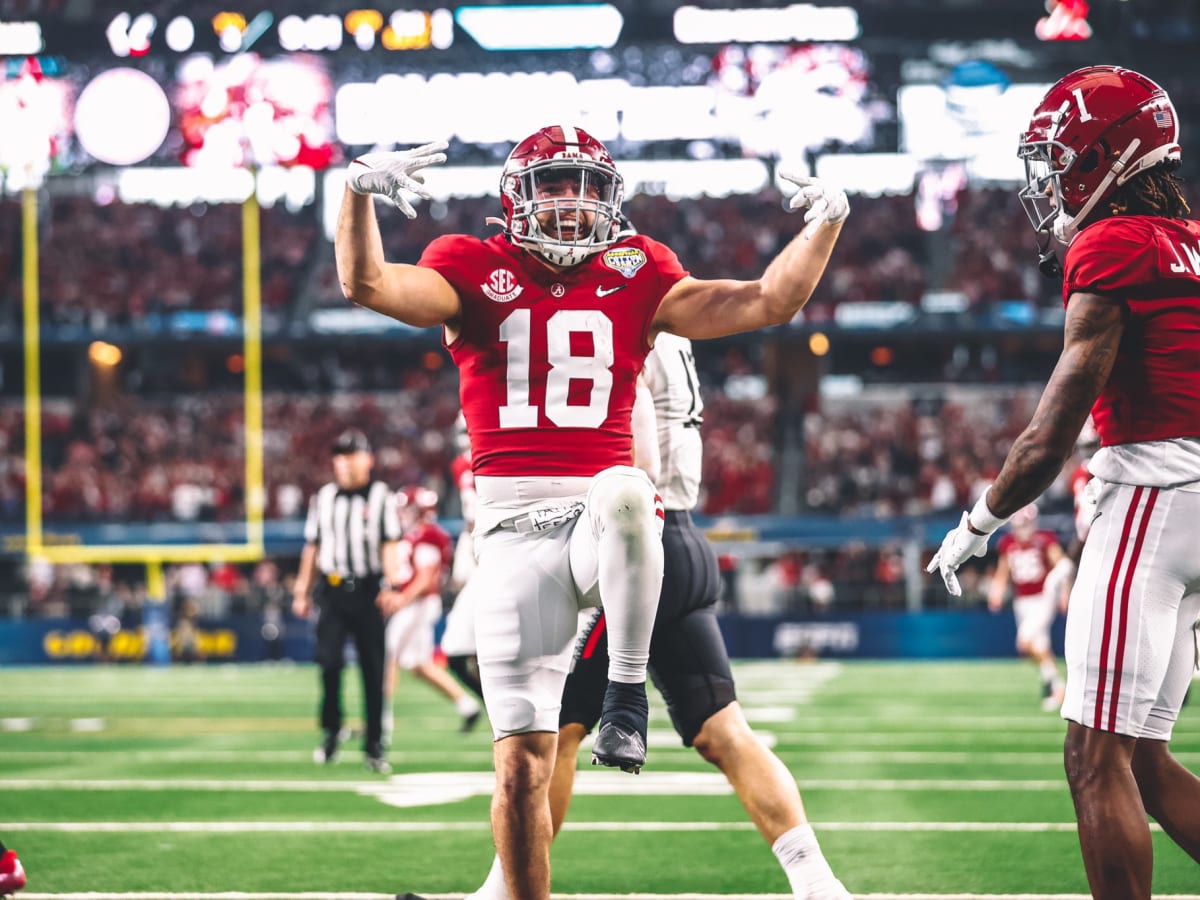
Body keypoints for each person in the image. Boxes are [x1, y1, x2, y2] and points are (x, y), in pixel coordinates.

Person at [337, 124, 847, 900]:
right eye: (554, 186)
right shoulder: (471, 265)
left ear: (610, 199)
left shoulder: (639, 273)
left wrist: (826, 224)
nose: (571, 203)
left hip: (616, 525)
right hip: (513, 526)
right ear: (517, 197)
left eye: (585, 186)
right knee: (524, 764)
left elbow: (770, 299)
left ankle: (627, 695)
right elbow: (368, 285)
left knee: (624, 492)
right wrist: (353, 195)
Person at [927, 66, 1200, 899]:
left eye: (1064, 157)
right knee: (1142, 759)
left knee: (1090, 757)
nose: (1050, 181)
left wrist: (977, 523)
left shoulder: (1111, 243)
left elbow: (1049, 434)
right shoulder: (1189, 242)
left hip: (1152, 500)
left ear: (1110, 155)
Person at [458, 332, 851, 900]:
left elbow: (640, 465)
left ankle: (500, 892)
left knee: (553, 732)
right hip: (685, 536)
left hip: (637, 545)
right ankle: (818, 883)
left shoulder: (626, 313)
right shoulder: (674, 327)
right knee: (724, 731)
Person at [292, 428, 402, 774]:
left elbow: (390, 544)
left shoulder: (382, 497)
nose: (344, 462)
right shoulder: (324, 497)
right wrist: (301, 590)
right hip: (334, 590)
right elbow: (313, 545)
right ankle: (331, 729)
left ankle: (374, 742)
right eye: (339, 455)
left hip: (369, 590)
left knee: (373, 669)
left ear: (367, 459)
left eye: (351, 454)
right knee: (328, 663)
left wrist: (392, 584)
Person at [380, 484, 482, 743]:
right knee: (418, 665)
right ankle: (467, 706)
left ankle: (381, 719)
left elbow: (426, 577)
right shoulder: (418, 535)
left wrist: (403, 597)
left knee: (387, 655)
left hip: (419, 603)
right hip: (417, 602)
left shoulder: (427, 536)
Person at [986, 503, 1072, 711]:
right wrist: (997, 590)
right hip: (1021, 601)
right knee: (1040, 647)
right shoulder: (1008, 543)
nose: (1022, 529)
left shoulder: (1044, 540)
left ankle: (1059, 684)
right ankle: (1054, 689)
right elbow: (1003, 571)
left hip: (1043, 597)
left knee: (1024, 643)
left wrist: (1064, 593)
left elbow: (1063, 566)